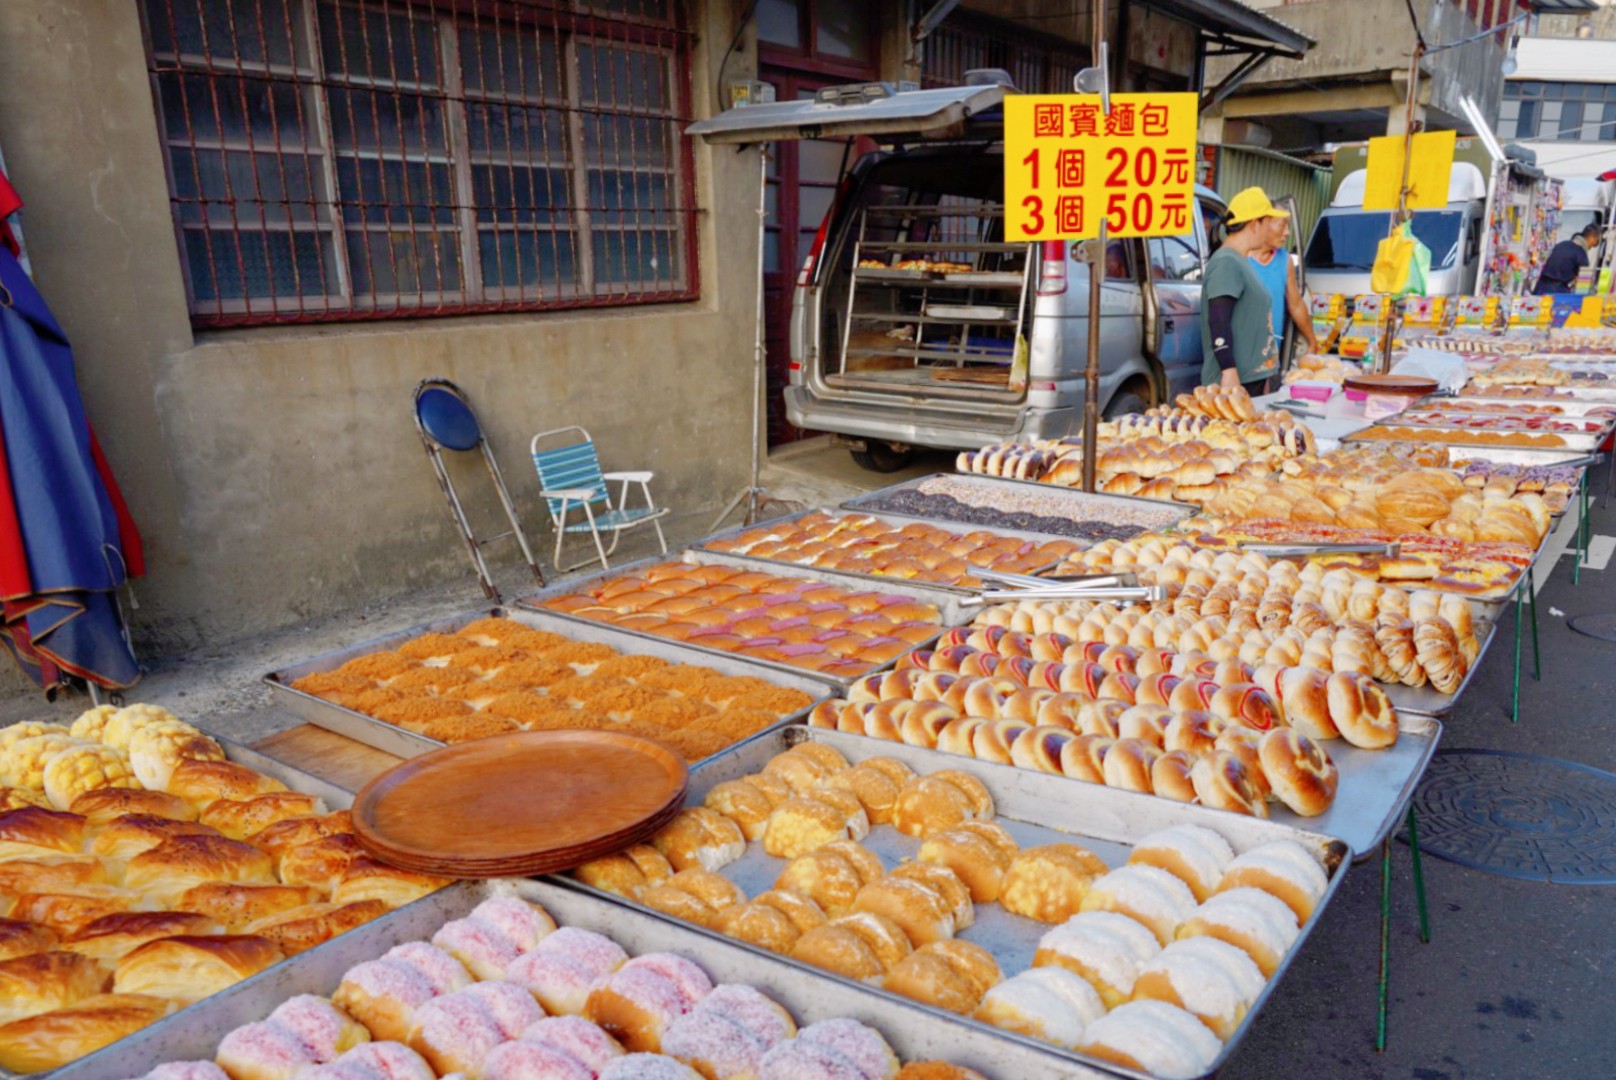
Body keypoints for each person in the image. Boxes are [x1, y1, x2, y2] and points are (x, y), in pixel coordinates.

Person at [1200, 188, 1286, 393]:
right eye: (1268, 223)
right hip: (1233, 384)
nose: (1269, 231)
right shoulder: (1226, 262)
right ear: (1255, 224)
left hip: (1249, 380)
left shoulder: (1240, 260)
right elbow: (1218, 320)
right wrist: (1229, 372)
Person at [1249, 212, 1320, 358]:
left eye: (1288, 226)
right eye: (1282, 225)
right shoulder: (1240, 258)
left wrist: (1312, 341)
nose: (1287, 232)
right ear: (1262, 224)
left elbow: (1296, 304)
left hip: (1271, 355)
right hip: (1243, 356)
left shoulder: (1284, 259)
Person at [1534, 222, 1602, 295]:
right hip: (1558, 293)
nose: (1593, 246)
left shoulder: (1562, 244)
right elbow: (1583, 288)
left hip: (1540, 288)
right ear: (1592, 237)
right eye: (1596, 242)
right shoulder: (1582, 256)